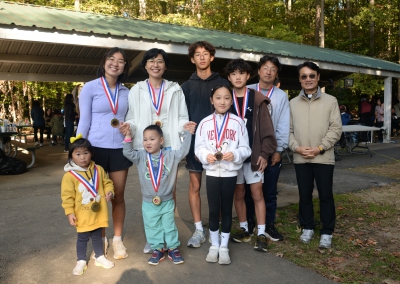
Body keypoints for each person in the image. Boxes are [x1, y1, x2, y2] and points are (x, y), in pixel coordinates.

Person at [122, 48, 193, 253]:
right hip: (148, 146)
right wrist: (129, 128)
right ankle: (154, 239)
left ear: (165, 66)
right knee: (150, 189)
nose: (155, 65)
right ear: (145, 65)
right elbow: (133, 117)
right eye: (151, 61)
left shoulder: (174, 88)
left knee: (167, 192)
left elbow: (181, 116)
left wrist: (185, 128)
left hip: (169, 145)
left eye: (160, 61)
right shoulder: (137, 90)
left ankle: (166, 234)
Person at [77, 47, 132, 260]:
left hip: (120, 149)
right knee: (97, 196)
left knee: (117, 196)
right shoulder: (89, 88)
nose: (115, 64)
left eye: (120, 61)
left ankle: (117, 240)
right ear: (104, 62)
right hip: (95, 149)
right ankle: (101, 241)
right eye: (111, 59)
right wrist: (79, 149)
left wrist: (131, 128)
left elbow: (131, 119)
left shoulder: (127, 92)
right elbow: (84, 120)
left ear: (124, 66)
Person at [224, 59, 277, 252]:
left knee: (257, 194)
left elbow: (267, 129)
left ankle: (261, 233)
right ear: (229, 77)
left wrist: (265, 153)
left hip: (254, 157)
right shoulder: (225, 98)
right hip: (233, 157)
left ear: (248, 76)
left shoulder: (257, 98)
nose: (238, 77)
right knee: (238, 194)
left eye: (242, 73)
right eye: (234, 74)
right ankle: (245, 230)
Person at [195, 85, 251, 264]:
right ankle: (214, 246)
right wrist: (206, 156)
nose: (222, 101)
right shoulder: (204, 123)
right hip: (212, 172)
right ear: (212, 100)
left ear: (231, 100)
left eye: (227, 98)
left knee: (227, 210)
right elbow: (198, 148)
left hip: (229, 173)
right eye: (218, 98)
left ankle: (224, 247)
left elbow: (246, 148)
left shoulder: (238, 122)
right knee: (213, 210)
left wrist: (235, 154)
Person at [181, 41, 230, 248]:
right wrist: (183, 126)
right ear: (192, 59)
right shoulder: (185, 86)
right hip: (194, 145)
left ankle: (215, 230)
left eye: (206, 54)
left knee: (216, 189)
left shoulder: (223, 83)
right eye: (197, 55)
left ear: (212, 57)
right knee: (195, 185)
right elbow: (178, 115)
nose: (202, 57)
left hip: (218, 145)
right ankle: (199, 230)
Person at [289, 61, 342, 249]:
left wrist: (320, 148)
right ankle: (308, 227)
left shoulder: (331, 101)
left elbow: (336, 129)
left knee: (326, 195)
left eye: (312, 75)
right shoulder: (292, 103)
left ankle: (327, 231)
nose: (308, 79)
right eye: (304, 76)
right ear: (300, 79)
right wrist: (297, 148)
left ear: (318, 77)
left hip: (323, 157)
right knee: (304, 194)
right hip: (301, 157)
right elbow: (287, 130)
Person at [122, 124, 192, 265]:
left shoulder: (171, 156)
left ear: (161, 141)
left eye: (152, 139)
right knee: (152, 225)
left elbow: (184, 150)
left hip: (166, 200)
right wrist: (128, 137)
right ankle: (157, 249)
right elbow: (127, 153)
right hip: (148, 201)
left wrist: (187, 133)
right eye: (145, 139)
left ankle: (173, 248)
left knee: (169, 225)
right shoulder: (141, 156)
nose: (148, 142)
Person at [246, 55, 290, 242]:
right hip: (249, 150)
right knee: (249, 190)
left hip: (271, 150)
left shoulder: (281, 96)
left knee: (269, 191)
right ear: (258, 71)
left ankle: (269, 225)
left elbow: (283, 124)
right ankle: (248, 224)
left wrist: (278, 149)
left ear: (276, 74)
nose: (269, 72)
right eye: (265, 68)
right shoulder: (247, 91)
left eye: (273, 69)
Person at [61, 135, 115, 276]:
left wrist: (110, 192)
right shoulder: (69, 176)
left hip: (98, 212)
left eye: (86, 153)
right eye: (78, 154)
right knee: (82, 238)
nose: (83, 157)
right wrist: (69, 212)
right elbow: (67, 196)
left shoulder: (99, 169)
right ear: (71, 156)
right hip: (82, 214)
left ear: (91, 153)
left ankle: (99, 257)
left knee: (98, 236)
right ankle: (81, 260)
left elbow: (107, 182)